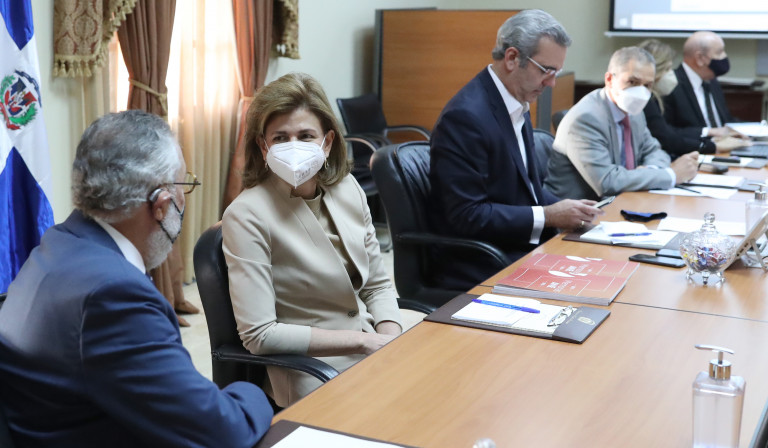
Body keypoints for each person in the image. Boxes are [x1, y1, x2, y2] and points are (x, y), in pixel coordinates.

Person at [0, 110, 273, 448]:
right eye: (183, 185)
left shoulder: (60, 242)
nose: (184, 198)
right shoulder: (113, 296)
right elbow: (224, 432)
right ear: (161, 204)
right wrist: (256, 391)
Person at [222, 72, 402, 408]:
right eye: (280, 138)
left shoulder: (348, 189)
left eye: (306, 136)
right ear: (263, 146)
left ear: (327, 141)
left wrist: (390, 339)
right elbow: (260, 334)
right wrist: (363, 343)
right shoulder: (247, 215)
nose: (294, 146)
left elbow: (377, 285)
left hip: (372, 347)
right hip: (315, 369)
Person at [428, 9, 603, 290]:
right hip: (481, 261)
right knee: (590, 289)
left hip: (514, 248)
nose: (552, 82)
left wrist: (572, 211)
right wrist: (549, 215)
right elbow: (466, 215)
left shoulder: (515, 102)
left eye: (556, 72)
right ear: (512, 58)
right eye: (546, 70)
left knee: (605, 270)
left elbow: (526, 191)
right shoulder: (465, 117)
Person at [545, 47, 699, 201]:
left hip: (624, 201)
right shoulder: (586, 119)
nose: (640, 92)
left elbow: (654, 151)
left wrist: (650, 170)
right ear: (609, 80)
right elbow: (607, 182)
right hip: (581, 210)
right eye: (632, 82)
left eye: (647, 85)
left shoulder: (634, 112)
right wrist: (671, 175)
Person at [662, 31, 748, 144]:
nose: (724, 56)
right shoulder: (671, 85)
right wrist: (708, 132)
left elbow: (726, 120)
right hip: (697, 149)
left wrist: (755, 129)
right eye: (719, 52)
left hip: (728, 146)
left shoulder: (711, 80)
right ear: (700, 58)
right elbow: (666, 132)